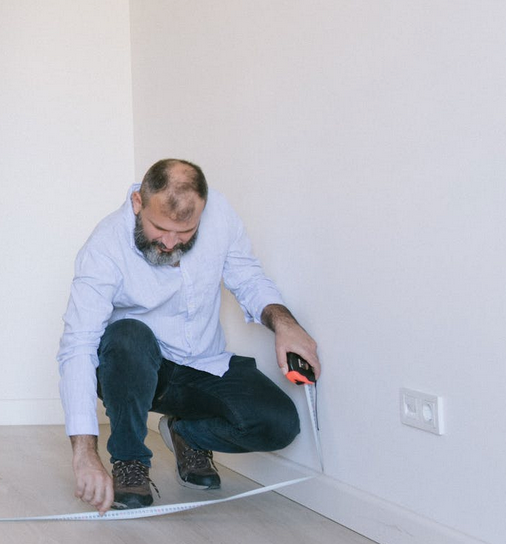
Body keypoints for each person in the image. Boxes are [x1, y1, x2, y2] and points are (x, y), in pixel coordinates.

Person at [57, 159, 321, 511]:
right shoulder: (104, 247)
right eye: (159, 228)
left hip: (204, 366)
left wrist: (286, 324)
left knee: (279, 425)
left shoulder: (220, 214)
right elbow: (78, 345)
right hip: (135, 371)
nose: (169, 243)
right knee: (127, 334)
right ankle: (129, 461)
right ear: (138, 202)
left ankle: (187, 433)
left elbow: (247, 277)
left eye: (184, 232)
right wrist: (84, 455)